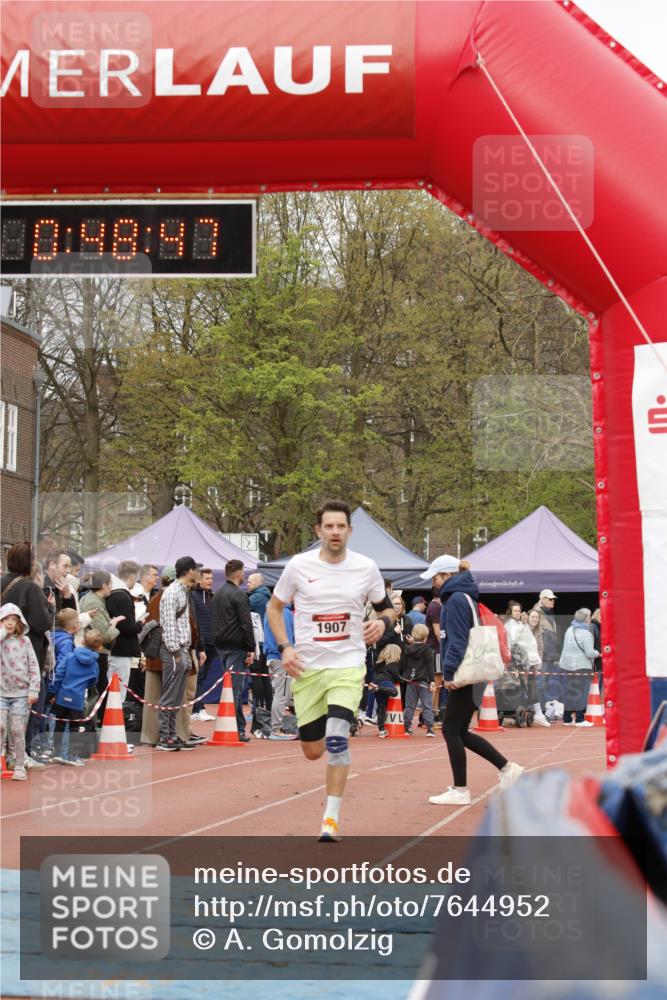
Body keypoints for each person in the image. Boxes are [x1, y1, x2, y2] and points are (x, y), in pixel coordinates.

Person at [267, 500, 396, 842]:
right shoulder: (298, 566)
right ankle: (324, 728)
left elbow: (387, 609)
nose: (335, 532)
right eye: (329, 526)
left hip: (347, 665)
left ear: (350, 531)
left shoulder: (366, 568)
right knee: (313, 750)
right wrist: (285, 647)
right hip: (308, 669)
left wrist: (382, 623)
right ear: (318, 531)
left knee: (338, 740)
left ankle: (331, 818)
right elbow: (274, 608)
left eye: (341, 526)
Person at [419, 554, 524, 805]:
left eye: (435, 577)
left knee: (449, 729)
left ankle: (461, 789)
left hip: (465, 672)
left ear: (447, 576)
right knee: (459, 731)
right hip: (472, 671)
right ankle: (508, 769)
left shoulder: (455, 600)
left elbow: (457, 640)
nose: (433, 583)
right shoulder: (465, 596)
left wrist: (450, 672)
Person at [1, 541, 53, 765]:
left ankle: (6, 753)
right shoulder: (30, 588)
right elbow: (41, 623)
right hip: (25, 653)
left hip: (3, 653)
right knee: (28, 705)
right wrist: (50, 607)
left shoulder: (2, 582)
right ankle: (22, 755)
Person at [156, 557, 203, 752]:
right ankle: (165, 736)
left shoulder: (181, 592)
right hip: (174, 650)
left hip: (181, 649)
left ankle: (172, 735)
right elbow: (168, 625)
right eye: (196, 570)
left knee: (177, 696)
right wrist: (176, 652)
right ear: (190, 571)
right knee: (170, 694)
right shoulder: (173, 593)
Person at [211, 559, 256, 743]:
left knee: (229, 688)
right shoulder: (239, 595)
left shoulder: (218, 594)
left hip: (221, 646)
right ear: (239, 573)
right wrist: (251, 648)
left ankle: (234, 726)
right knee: (234, 689)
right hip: (236, 647)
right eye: (243, 572)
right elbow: (246, 624)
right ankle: (237, 728)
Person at [48, 629, 104, 766]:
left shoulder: (69, 656)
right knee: (74, 727)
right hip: (78, 699)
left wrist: (51, 693)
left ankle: (56, 752)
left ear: (83, 641)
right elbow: (93, 681)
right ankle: (72, 756)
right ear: (99, 647)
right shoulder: (94, 664)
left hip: (62, 696)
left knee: (59, 725)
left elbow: (59, 674)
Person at [0, 603, 41, 781]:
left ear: (19, 622)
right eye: (5, 619)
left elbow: (34, 666)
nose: (9, 623)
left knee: (17, 730)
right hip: (1, 693)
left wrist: (33, 690)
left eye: (13, 619)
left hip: (21, 694)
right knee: (0, 726)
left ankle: (18, 764)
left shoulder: (25, 642)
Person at [504, 600, 549, 727]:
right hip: (520, 664)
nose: (518, 613)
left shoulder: (520, 624)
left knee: (528, 688)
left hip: (527, 663)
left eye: (519, 610)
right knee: (528, 689)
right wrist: (516, 665)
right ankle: (538, 714)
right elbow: (513, 645)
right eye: (516, 611)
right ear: (511, 612)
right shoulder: (511, 625)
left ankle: (536, 714)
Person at [106, 560, 143, 699]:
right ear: (132, 577)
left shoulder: (114, 593)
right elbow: (126, 626)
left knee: (114, 692)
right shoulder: (122, 596)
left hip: (115, 649)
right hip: (120, 651)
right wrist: (140, 624)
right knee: (117, 695)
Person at [263, 602, 297, 740]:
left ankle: (277, 727)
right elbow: (287, 638)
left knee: (281, 693)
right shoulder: (285, 613)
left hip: (274, 656)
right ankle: (276, 728)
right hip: (281, 657)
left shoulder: (270, 611)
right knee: (282, 694)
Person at [559, 608, 598, 726]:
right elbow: (589, 653)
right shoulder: (587, 634)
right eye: (589, 617)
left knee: (569, 691)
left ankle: (567, 718)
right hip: (581, 666)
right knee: (581, 692)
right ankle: (580, 719)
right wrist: (597, 653)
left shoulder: (569, 630)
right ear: (585, 619)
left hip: (566, 665)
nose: (590, 619)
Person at [191, 568, 220, 721]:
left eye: (211, 578)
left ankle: (196, 708)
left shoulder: (212, 597)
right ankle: (197, 708)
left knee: (202, 677)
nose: (210, 581)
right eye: (207, 578)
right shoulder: (193, 596)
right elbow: (194, 621)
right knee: (198, 676)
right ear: (199, 580)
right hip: (198, 644)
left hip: (211, 642)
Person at [533, 589, 561, 720]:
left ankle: (544, 712)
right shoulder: (535, 613)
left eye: (553, 599)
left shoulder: (550, 614)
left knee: (545, 685)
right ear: (542, 599)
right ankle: (540, 713)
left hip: (551, 655)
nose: (553, 601)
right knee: (540, 684)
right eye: (550, 599)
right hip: (541, 656)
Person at [403, 622, 436, 736]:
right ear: (426, 636)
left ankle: (407, 726)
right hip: (424, 681)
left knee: (409, 705)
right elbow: (430, 667)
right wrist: (432, 681)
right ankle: (430, 728)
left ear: (413, 634)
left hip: (411, 680)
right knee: (426, 705)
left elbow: (405, 664)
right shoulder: (427, 650)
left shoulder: (408, 649)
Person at [371, 644, 402, 738]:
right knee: (394, 692)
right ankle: (379, 688)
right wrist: (402, 679)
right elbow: (397, 677)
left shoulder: (379, 664)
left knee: (381, 707)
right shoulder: (393, 665)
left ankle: (381, 730)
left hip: (376, 681)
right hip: (385, 681)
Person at [425, 588, 443, 720]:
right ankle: (431, 713)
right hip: (436, 650)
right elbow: (437, 631)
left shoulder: (433, 606)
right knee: (436, 684)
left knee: (437, 684)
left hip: (435, 648)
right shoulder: (436, 607)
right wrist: (445, 647)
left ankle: (434, 712)